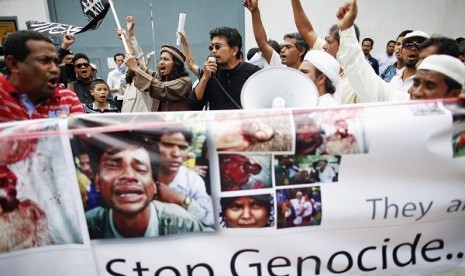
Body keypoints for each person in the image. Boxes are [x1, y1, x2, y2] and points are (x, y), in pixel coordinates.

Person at [82, 130, 208, 239]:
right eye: (114, 166)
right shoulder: (84, 228)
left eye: (140, 169)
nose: (129, 175)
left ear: (154, 185)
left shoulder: (185, 225)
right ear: (97, 182)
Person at [337, 0, 465, 102]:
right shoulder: (403, 101)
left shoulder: (458, 128)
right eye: (415, 83)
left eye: (430, 85)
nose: (417, 92)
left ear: (454, 94)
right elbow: (363, 75)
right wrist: (347, 30)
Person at [0, 30, 83, 122]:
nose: (54, 69)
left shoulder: (68, 100)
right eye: (44, 61)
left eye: (55, 62)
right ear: (14, 64)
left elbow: (82, 134)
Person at [290, 0, 360, 104]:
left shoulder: (358, 82)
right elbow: (306, 29)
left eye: (329, 41)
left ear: (343, 45)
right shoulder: (319, 58)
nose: (324, 45)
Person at [153, 126, 214, 227]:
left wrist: (184, 201)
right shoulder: (141, 176)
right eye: (168, 145)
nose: (176, 154)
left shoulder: (193, 181)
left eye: (182, 147)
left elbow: (212, 221)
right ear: (154, 146)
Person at [188, 26, 261, 110]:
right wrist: (204, 78)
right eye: (212, 47)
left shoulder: (253, 72)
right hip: (217, 122)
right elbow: (193, 105)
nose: (213, 51)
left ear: (234, 50)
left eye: (218, 46)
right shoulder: (211, 73)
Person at [0, 166, 53, 252]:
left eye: (13, 182)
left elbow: (46, 243)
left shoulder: (30, 209)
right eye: (2, 183)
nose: (11, 187)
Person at [244, 0, 309, 69]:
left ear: (301, 51)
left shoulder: (309, 73)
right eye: (283, 47)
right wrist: (254, 11)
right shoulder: (278, 65)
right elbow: (263, 44)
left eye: (288, 47)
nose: (282, 50)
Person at [125, 44, 192, 111]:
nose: (161, 62)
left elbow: (161, 88)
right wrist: (134, 63)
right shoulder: (162, 79)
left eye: (166, 59)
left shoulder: (185, 82)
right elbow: (145, 71)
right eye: (161, 59)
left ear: (176, 65)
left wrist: (136, 69)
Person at [118, 16, 154, 113]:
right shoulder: (128, 87)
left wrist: (130, 35)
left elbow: (137, 57)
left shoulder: (142, 85)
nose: (129, 66)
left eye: (131, 65)